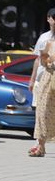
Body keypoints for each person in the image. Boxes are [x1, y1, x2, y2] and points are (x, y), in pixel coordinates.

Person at [30, 11, 55, 157]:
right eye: (54, 18)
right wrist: (32, 79)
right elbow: (39, 60)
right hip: (46, 77)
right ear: (48, 19)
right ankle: (40, 145)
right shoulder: (44, 38)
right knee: (42, 111)